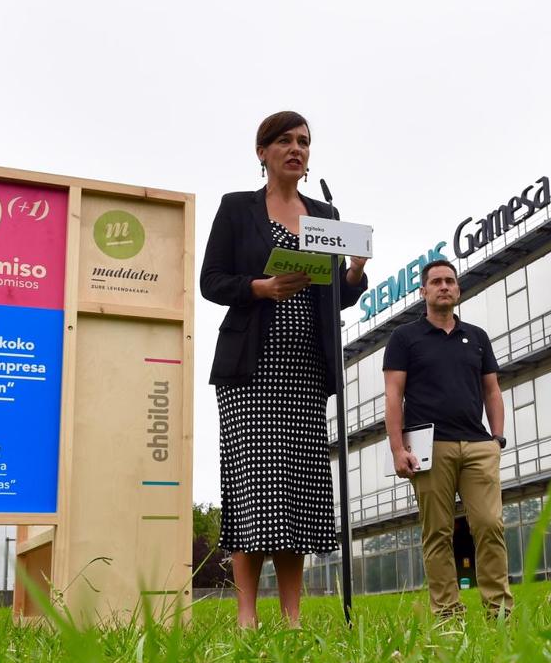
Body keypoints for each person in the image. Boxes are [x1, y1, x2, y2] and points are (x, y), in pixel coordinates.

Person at [199, 111, 368, 629]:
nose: (297, 149)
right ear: (263, 152)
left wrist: (355, 273)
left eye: (305, 142)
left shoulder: (324, 213)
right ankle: (246, 615)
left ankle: (293, 616)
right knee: (255, 490)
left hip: (305, 369)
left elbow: (333, 295)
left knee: (297, 490)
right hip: (251, 369)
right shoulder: (237, 209)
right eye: (286, 141)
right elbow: (211, 281)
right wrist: (259, 287)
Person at [383, 260, 514, 619]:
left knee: (489, 525)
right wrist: (397, 448)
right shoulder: (404, 338)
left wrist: (496, 438)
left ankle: (499, 611)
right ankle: (448, 614)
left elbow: (492, 390)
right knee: (437, 533)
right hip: (428, 447)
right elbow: (394, 395)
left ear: (458, 290)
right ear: (423, 292)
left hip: (477, 445)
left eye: (450, 281)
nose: (444, 286)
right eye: (436, 282)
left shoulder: (477, 337)